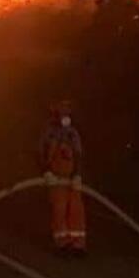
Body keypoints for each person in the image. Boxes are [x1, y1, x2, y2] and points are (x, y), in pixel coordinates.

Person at [39, 100, 86, 256]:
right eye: (62, 114)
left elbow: (78, 155)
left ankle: (78, 244)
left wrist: (77, 175)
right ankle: (62, 243)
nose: (65, 117)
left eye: (67, 114)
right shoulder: (48, 133)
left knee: (76, 208)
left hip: (72, 179)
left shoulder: (73, 133)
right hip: (56, 179)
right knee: (59, 208)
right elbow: (41, 153)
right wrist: (46, 172)